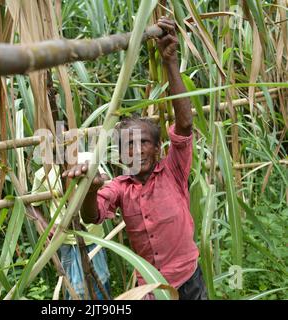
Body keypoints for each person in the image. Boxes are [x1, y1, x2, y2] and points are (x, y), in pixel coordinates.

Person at [61, 17, 207, 300]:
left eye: (143, 143)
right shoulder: (119, 187)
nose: (136, 149)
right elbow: (90, 215)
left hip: (189, 278)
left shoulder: (173, 171)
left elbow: (186, 125)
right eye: (127, 144)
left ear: (158, 148)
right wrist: (91, 187)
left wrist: (170, 61)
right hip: (152, 287)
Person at [31, 152, 111, 300]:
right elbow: (32, 204)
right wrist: (45, 225)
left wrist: (92, 175)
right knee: (74, 291)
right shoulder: (43, 174)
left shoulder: (87, 158)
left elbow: (105, 181)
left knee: (101, 286)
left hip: (93, 240)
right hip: (66, 243)